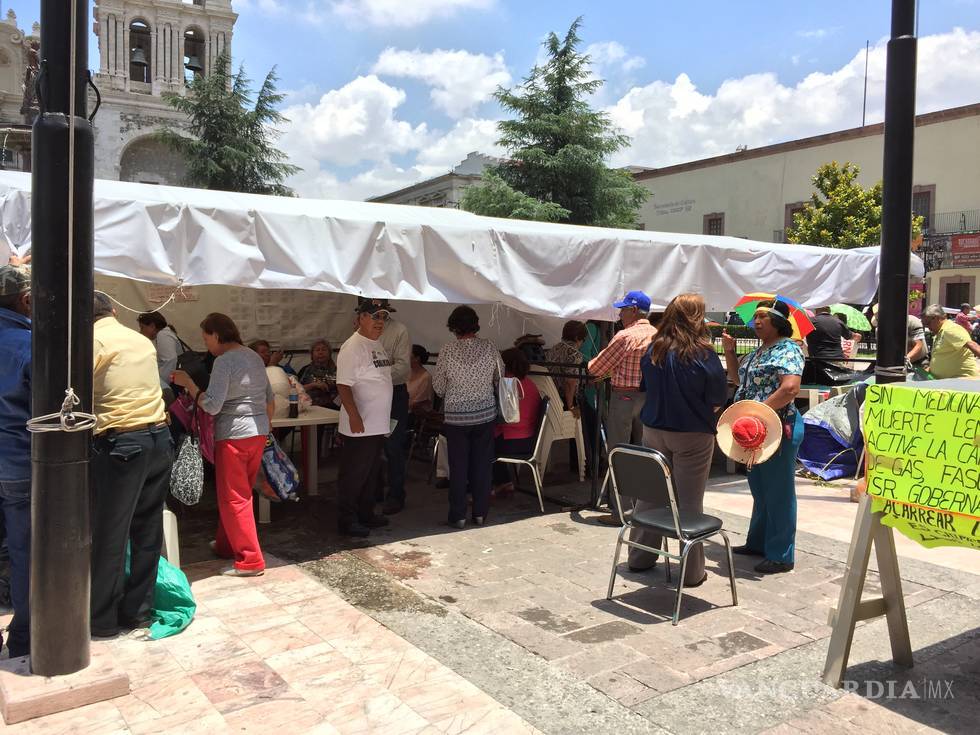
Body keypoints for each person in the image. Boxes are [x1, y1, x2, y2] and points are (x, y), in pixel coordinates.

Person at [627, 294, 728, 586]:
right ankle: (692, 572)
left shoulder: (653, 349)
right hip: (692, 433)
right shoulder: (703, 353)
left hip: (655, 429)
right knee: (689, 503)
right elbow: (717, 397)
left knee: (650, 495)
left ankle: (639, 557)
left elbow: (645, 387)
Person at [90, 293, 173, 636]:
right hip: (159, 439)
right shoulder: (140, 339)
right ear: (113, 310)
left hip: (122, 442)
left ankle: (102, 619)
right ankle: (137, 610)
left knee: (111, 532)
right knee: (147, 530)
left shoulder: (92, 340)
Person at [173, 313, 274, 576]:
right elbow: (268, 397)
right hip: (258, 431)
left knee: (234, 497)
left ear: (216, 335)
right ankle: (226, 544)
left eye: (206, 338)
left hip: (234, 434)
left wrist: (190, 385)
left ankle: (250, 560)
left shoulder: (223, 361)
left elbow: (212, 405)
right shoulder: (253, 356)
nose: (206, 344)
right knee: (240, 494)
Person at [721, 299, 804, 575]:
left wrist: (760, 411)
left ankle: (781, 555)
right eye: (754, 317)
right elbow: (737, 380)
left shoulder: (788, 349)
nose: (756, 322)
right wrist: (731, 354)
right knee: (759, 487)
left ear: (778, 321)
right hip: (752, 430)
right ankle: (757, 542)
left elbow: (790, 388)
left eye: (762, 317)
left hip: (777, 427)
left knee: (778, 491)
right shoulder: (758, 352)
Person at [433, 306, 500, 528]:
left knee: (458, 467)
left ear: (453, 326)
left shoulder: (447, 350)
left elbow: (439, 387)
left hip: (456, 418)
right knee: (482, 466)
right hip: (485, 413)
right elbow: (500, 378)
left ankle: (458, 515)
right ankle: (480, 513)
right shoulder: (489, 347)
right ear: (475, 323)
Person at [334, 300, 394, 537]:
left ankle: (366, 514)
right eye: (375, 316)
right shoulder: (353, 346)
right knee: (353, 474)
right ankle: (347, 520)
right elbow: (343, 385)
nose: (380, 321)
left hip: (376, 424)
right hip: (360, 424)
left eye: (383, 317)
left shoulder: (376, 343)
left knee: (371, 474)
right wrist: (354, 416)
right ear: (361, 318)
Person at [0, 261, 32, 655]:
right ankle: (24, 635)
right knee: (26, 550)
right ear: (26, 300)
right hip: (19, 462)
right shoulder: (29, 345)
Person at [588, 290, 657, 450]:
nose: (620, 315)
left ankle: (620, 475)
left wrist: (590, 364)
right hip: (649, 396)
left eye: (623, 310)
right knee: (645, 445)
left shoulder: (625, 336)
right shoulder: (658, 335)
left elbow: (596, 368)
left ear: (633, 311)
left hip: (624, 397)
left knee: (619, 446)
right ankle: (644, 474)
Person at [373, 298, 411, 516]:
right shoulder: (360, 332)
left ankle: (396, 494)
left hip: (393, 394)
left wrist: (374, 374)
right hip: (370, 396)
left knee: (393, 446)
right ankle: (375, 489)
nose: (377, 318)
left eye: (381, 313)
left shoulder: (398, 330)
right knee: (372, 445)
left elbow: (403, 368)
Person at [493, 348, 542, 496]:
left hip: (512, 440)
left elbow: (501, 419)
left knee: (480, 443)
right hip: (530, 440)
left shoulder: (506, 385)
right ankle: (504, 482)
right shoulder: (530, 384)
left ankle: (483, 488)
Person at [921, 304, 980, 379]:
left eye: (928, 323)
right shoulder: (940, 332)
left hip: (961, 382)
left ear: (936, 318)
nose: (928, 327)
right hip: (947, 383)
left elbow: (973, 345)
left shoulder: (950, 329)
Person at [546, 320, 587, 412]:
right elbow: (570, 382)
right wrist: (571, 407)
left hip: (550, 395)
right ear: (577, 338)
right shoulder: (574, 354)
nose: (582, 343)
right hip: (565, 399)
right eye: (583, 339)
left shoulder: (554, 348)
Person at [137, 311, 184, 389]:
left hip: (172, 384)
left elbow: (170, 360)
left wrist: (160, 385)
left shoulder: (163, 335)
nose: (140, 332)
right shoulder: (166, 333)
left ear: (152, 326)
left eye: (142, 327)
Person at [297, 339, 337, 408]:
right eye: (317, 350)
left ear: (329, 353)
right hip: (310, 408)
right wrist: (313, 385)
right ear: (312, 355)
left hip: (334, 409)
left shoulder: (337, 370)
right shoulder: (305, 370)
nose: (320, 352)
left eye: (324, 350)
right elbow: (296, 390)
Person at [407, 344, 434, 415]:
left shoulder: (426, 377)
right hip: (403, 409)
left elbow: (420, 402)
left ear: (417, 358)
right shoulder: (406, 373)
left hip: (416, 414)